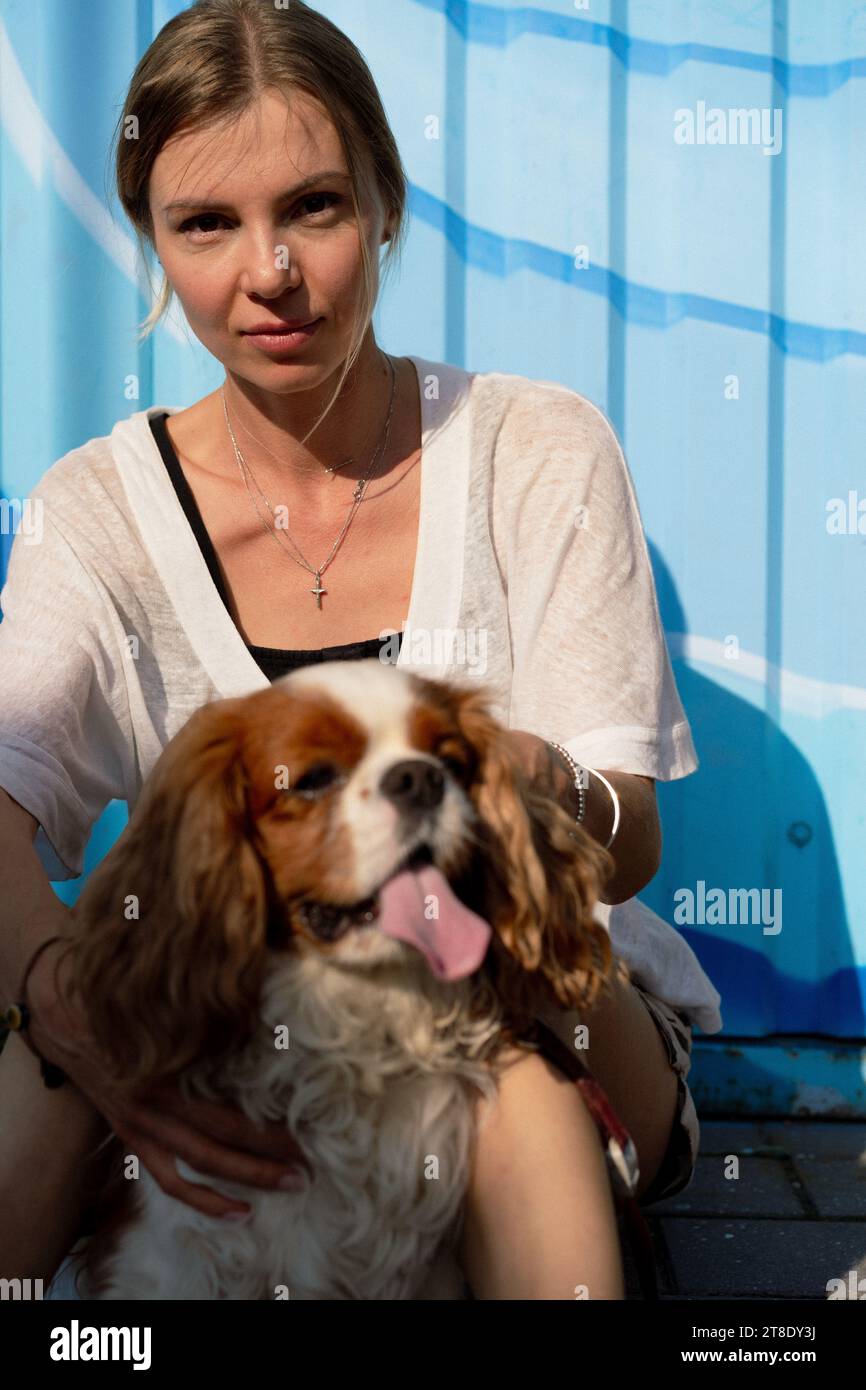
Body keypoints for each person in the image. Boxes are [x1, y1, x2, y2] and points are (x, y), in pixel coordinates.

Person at [0, 0, 721, 1301]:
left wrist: (533, 787)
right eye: (205, 223)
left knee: (501, 1081)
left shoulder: (539, 448)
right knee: (45, 1068)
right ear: (152, 243)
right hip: (229, 1007)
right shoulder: (95, 506)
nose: (267, 270)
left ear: (385, 203)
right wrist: (65, 1006)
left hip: (527, 995)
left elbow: (632, 836)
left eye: (315, 208)